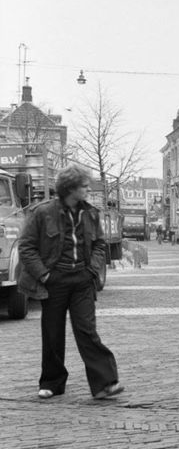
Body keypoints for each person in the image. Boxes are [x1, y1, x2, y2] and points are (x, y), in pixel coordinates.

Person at [18, 164, 124, 400]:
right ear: (70, 189)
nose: (88, 190)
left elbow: (98, 245)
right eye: (84, 186)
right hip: (54, 281)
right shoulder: (42, 213)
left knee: (87, 331)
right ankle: (52, 382)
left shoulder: (91, 213)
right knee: (52, 332)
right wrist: (45, 275)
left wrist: (92, 271)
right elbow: (26, 247)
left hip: (82, 281)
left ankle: (105, 384)